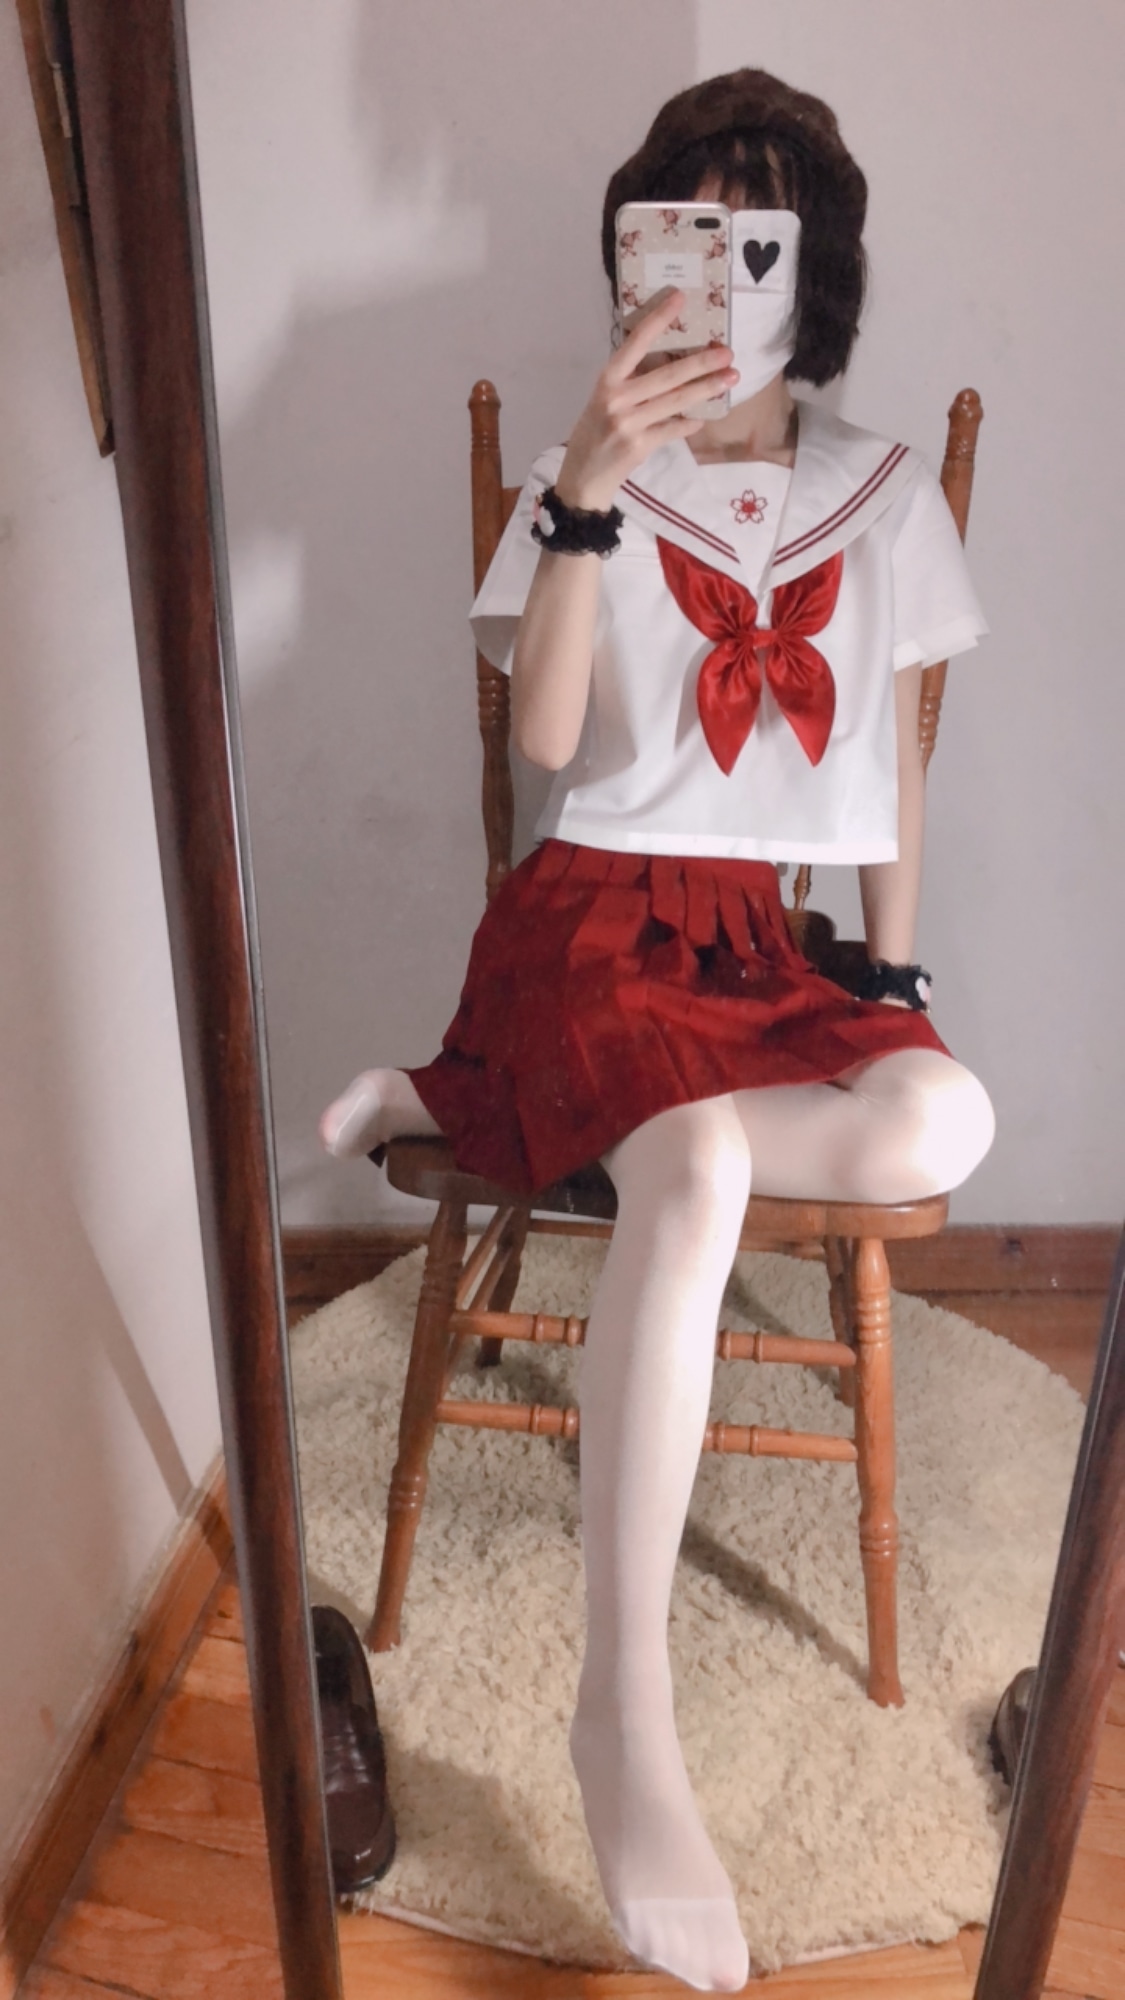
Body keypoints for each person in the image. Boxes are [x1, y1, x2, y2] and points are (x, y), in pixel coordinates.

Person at [320, 68, 996, 1993]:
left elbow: (893, 765)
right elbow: (545, 747)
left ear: (816, 269)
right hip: (591, 917)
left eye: (757, 237)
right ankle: (621, 1713)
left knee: (940, 1123)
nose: (720, 273)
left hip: (756, 943)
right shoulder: (588, 472)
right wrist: (587, 492)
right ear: (632, 260)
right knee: (691, 1154)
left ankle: (475, 1103)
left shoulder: (882, 491)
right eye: (683, 230)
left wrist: (893, 979)